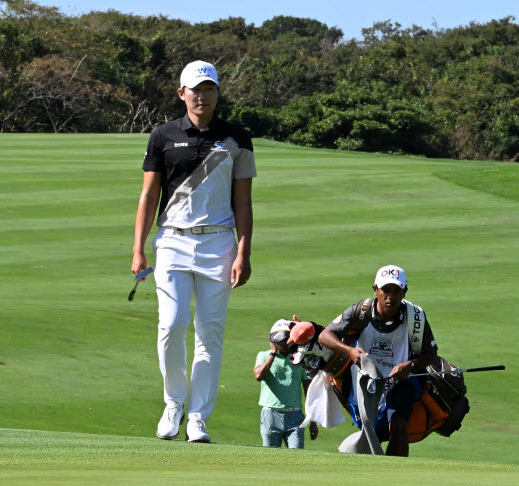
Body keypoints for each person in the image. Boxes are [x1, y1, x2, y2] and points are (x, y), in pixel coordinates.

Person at [130, 60, 256, 444]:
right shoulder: (163, 135)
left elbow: (244, 201)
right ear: (181, 92)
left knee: (210, 333)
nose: (202, 96)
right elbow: (149, 194)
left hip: (218, 241)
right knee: (171, 326)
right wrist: (138, 249)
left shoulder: (236, 138)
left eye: (209, 89)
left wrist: (243, 253)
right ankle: (174, 406)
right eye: (195, 89)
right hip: (172, 241)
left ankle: (198, 417)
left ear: (217, 92)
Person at [317, 265, 438, 456]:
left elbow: (431, 353)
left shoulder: (415, 317)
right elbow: (325, 336)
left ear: (405, 291)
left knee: (398, 425)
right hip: (364, 380)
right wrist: (349, 351)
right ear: (375, 290)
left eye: (396, 290)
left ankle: (392, 475)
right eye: (385, 290)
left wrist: (411, 365)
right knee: (370, 427)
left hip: (401, 381)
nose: (390, 296)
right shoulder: (361, 311)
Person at [254, 319, 318, 449]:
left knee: (296, 457)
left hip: (295, 415)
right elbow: (259, 376)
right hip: (270, 414)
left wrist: (312, 420)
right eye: (279, 341)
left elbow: (309, 391)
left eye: (285, 340)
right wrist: (273, 354)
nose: (282, 344)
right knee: (270, 458)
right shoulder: (263, 355)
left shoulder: (300, 359)